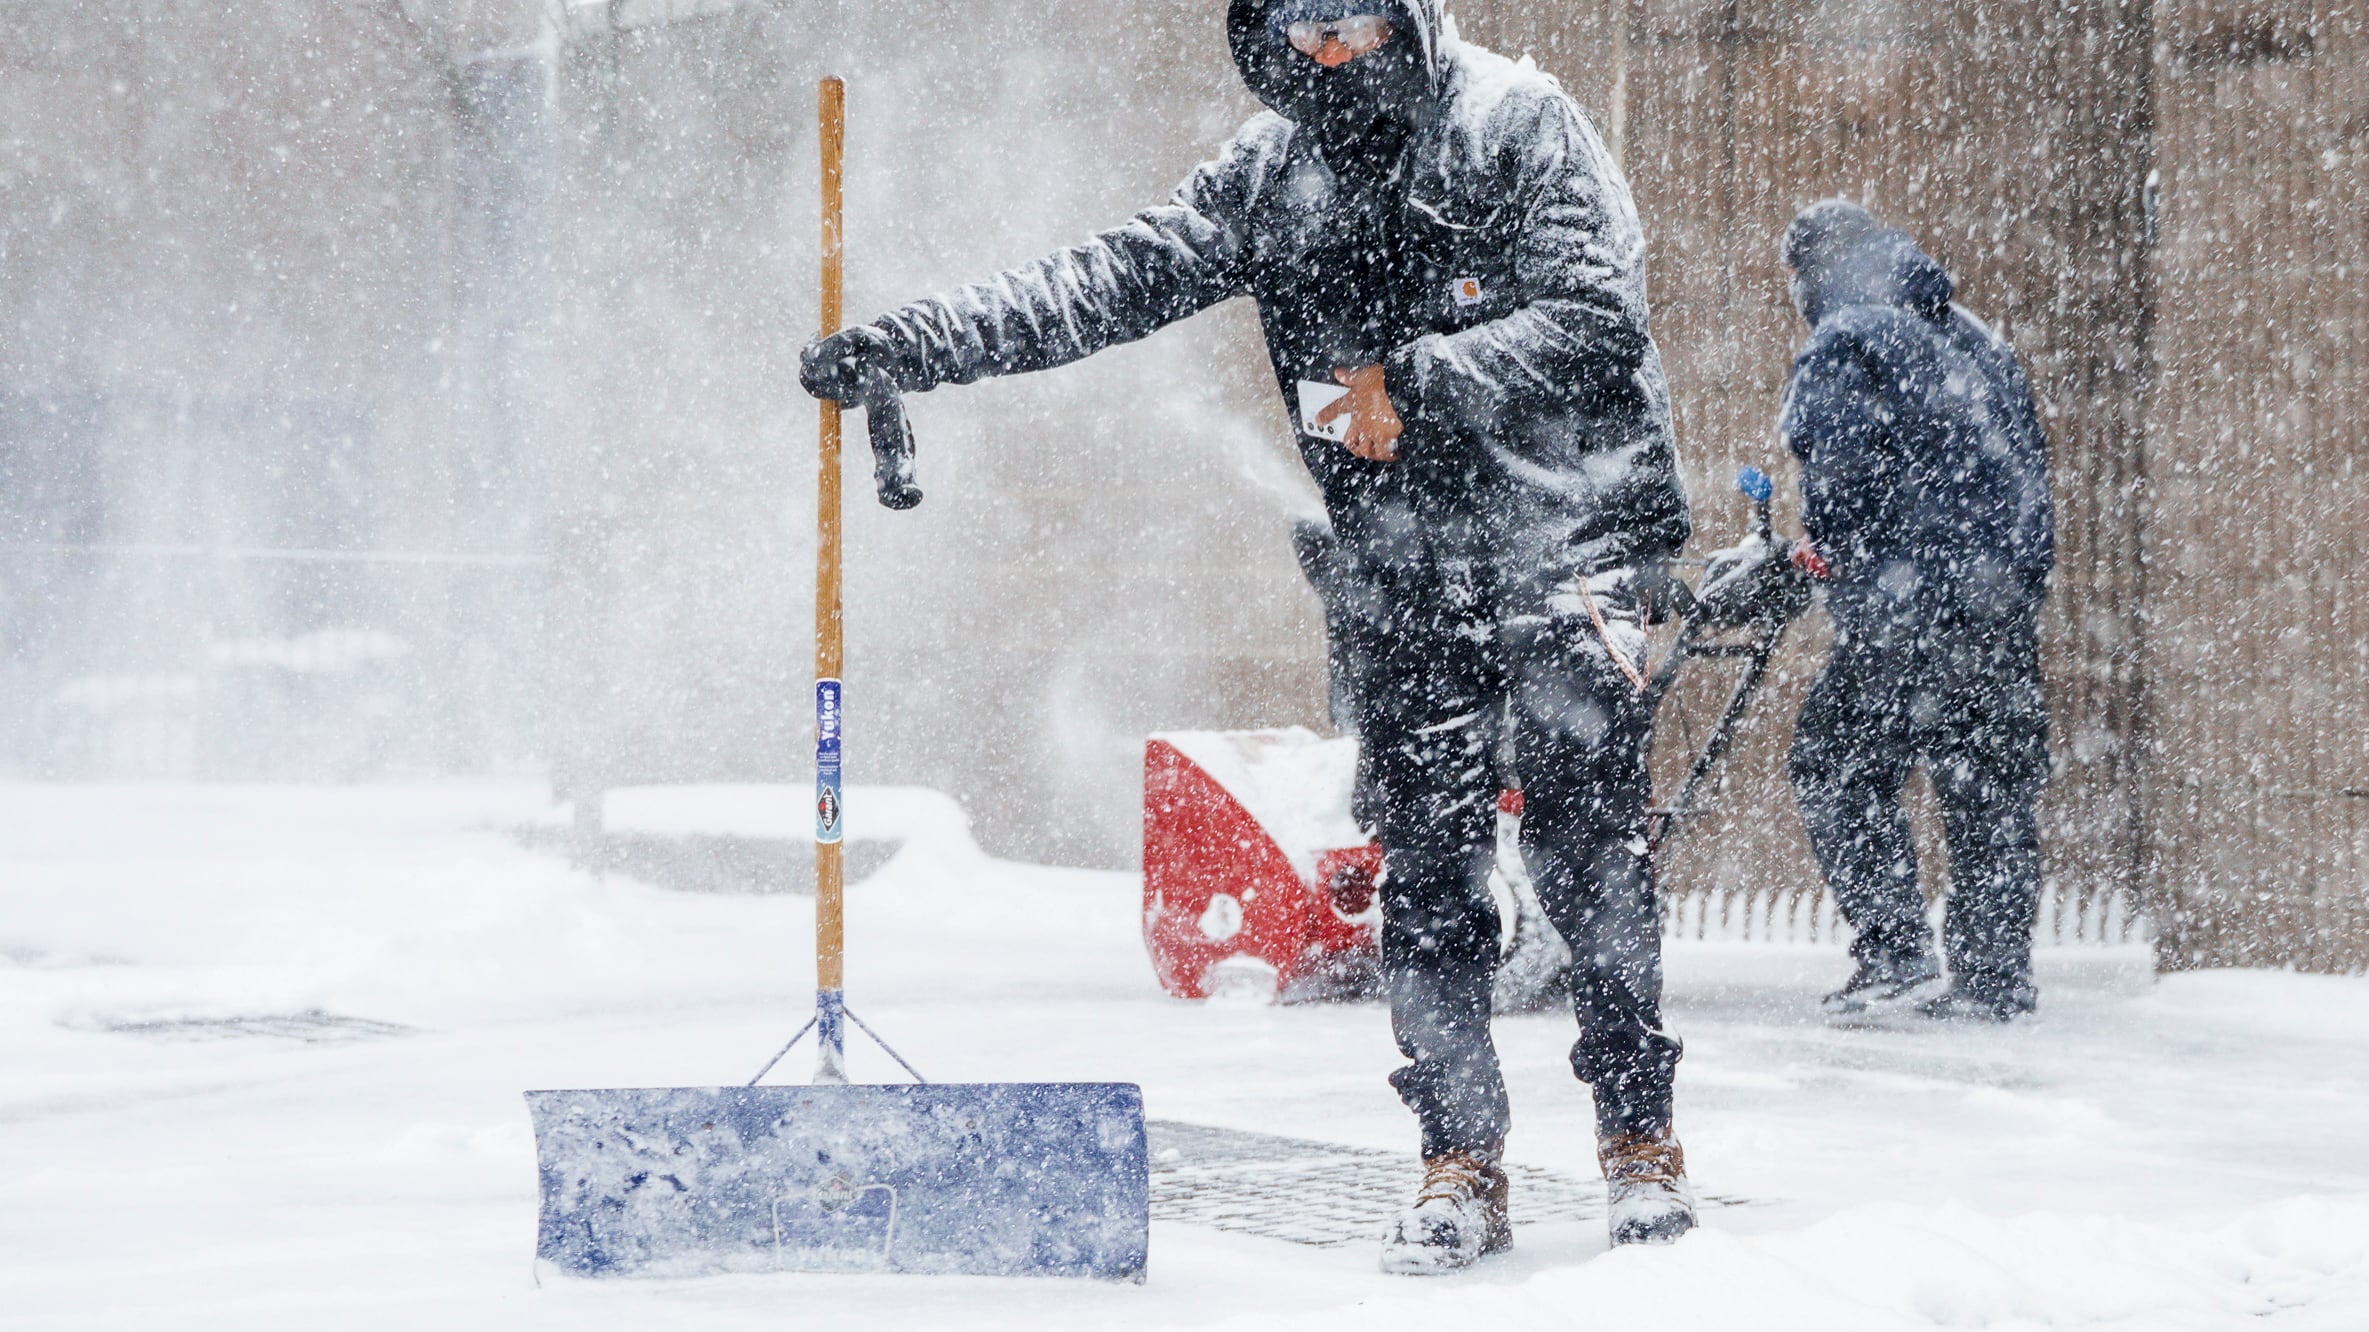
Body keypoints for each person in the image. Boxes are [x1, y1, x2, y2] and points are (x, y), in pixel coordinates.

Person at [803, 0, 1696, 1271]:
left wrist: (1409, 378)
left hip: (1569, 536)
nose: (1328, 57)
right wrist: (917, 345)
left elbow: (1595, 317)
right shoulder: (1272, 173)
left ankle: (1639, 1146)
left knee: (1586, 847)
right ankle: (1457, 1162)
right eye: (1301, 34)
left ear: (1404, 20)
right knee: (1427, 868)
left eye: (1352, 27)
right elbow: (1110, 278)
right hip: (1400, 564)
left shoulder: (1513, 123)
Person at [1776, 200, 2056, 1023]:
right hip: (1996, 601)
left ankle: (1894, 950)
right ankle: (1993, 977)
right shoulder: (1974, 336)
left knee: (1832, 760)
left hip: (1908, 603)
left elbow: (1838, 471)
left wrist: (1839, 553)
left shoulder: (1846, 337)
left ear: (1810, 271)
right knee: (1988, 784)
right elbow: (2025, 467)